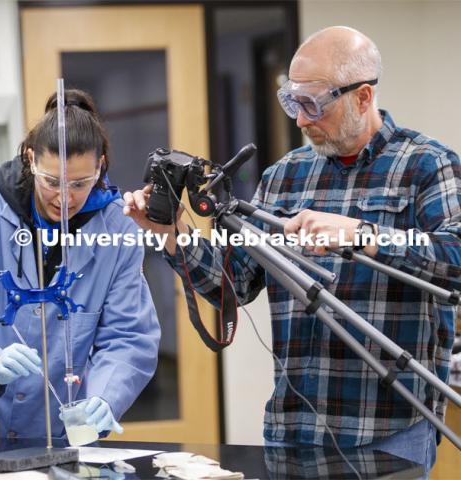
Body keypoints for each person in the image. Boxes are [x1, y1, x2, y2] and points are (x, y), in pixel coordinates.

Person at [123, 26, 461, 477]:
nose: (300, 121)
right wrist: (172, 231)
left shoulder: (425, 165)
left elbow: (454, 256)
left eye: (313, 104)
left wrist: (364, 234)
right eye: (292, 102)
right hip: (293, 435)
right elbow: (234, 282)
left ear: (362, 97)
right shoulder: (284, 176)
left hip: (386, 435)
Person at [0, 89, 160, 439]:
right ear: (31, 159)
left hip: (59, 436)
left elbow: (128, 336)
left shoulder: (117, 231)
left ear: (101, 166)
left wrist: (105, 397)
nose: (64, 198)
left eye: (80, 183)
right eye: (51, 181)